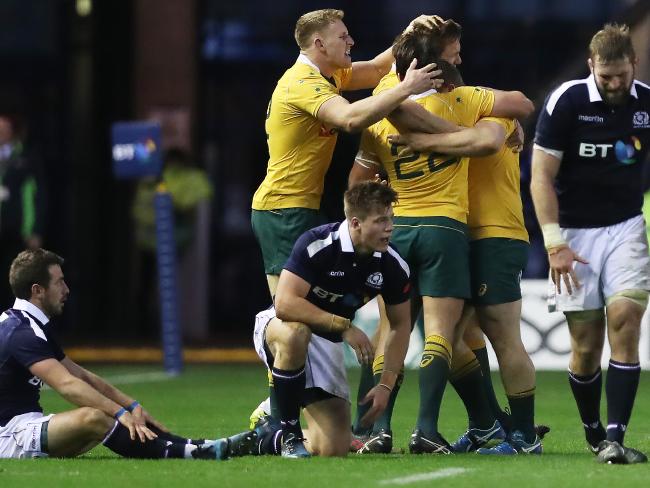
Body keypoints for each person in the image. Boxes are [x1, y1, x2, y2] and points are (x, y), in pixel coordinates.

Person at [349, 25, 534, 455]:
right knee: (442, 334)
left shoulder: (380, 114)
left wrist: (360, 227)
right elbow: (510, 114)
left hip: (396, 233)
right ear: (438, 68)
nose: (460, 60)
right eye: (454, 54)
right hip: (447, 229)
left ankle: (377, 430)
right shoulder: (464, 102)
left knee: (394, 331)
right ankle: (430, 429)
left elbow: (357, 181)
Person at [251, 8, 440, 300]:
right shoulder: (302, 84)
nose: (351, 40)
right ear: (319, 44)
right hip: (283, 208)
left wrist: (410, 33)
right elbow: (350, 119)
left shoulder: (329, 74)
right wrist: (405, 89)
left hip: (301, 205)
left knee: (314, 305)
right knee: (290, 312)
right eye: (342, 36)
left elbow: (378, 70)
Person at [0, 248, 253, 460]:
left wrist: (131, 406)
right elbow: (67, 385)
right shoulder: (22, 333)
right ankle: (191, 452)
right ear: (38, 290)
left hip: (24, 427)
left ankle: (196, 445)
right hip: (9, 435)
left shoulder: (29, 324)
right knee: (93, 417)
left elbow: (82, 376)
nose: (66, 289)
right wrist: (120, 413)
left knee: (106, 416)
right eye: (59, 282)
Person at [530, 23, 649, 464]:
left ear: (634, 64)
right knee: (584, 347)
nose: (616, 84)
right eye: (607, 77)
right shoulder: (568, 101)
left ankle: (616, 436)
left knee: (625, 319)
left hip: (626, 227)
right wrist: (554, 241)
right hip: (574, 234)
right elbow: (541, 176)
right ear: (591, 66)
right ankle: (594, 430)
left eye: (622, 75)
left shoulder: (647, 103)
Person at [251, 181, 412, 458]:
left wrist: (385, 384)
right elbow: (285, 304)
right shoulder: (318, 243)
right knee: (296, 334)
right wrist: (343, 326)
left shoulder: (392, 263)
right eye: (381, 220)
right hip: (281, 326)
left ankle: (267, 428)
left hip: (326, 342)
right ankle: (289, 435)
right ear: (356, 223)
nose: (390, 227)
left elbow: (400, 325)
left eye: (391, 219)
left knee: (333, 449)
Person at [0, 114, 44, 309]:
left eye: (4, 129)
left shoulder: (26, 159)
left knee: (16, 283)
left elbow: (36, 197)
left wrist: (33, 230)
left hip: (16, 233)